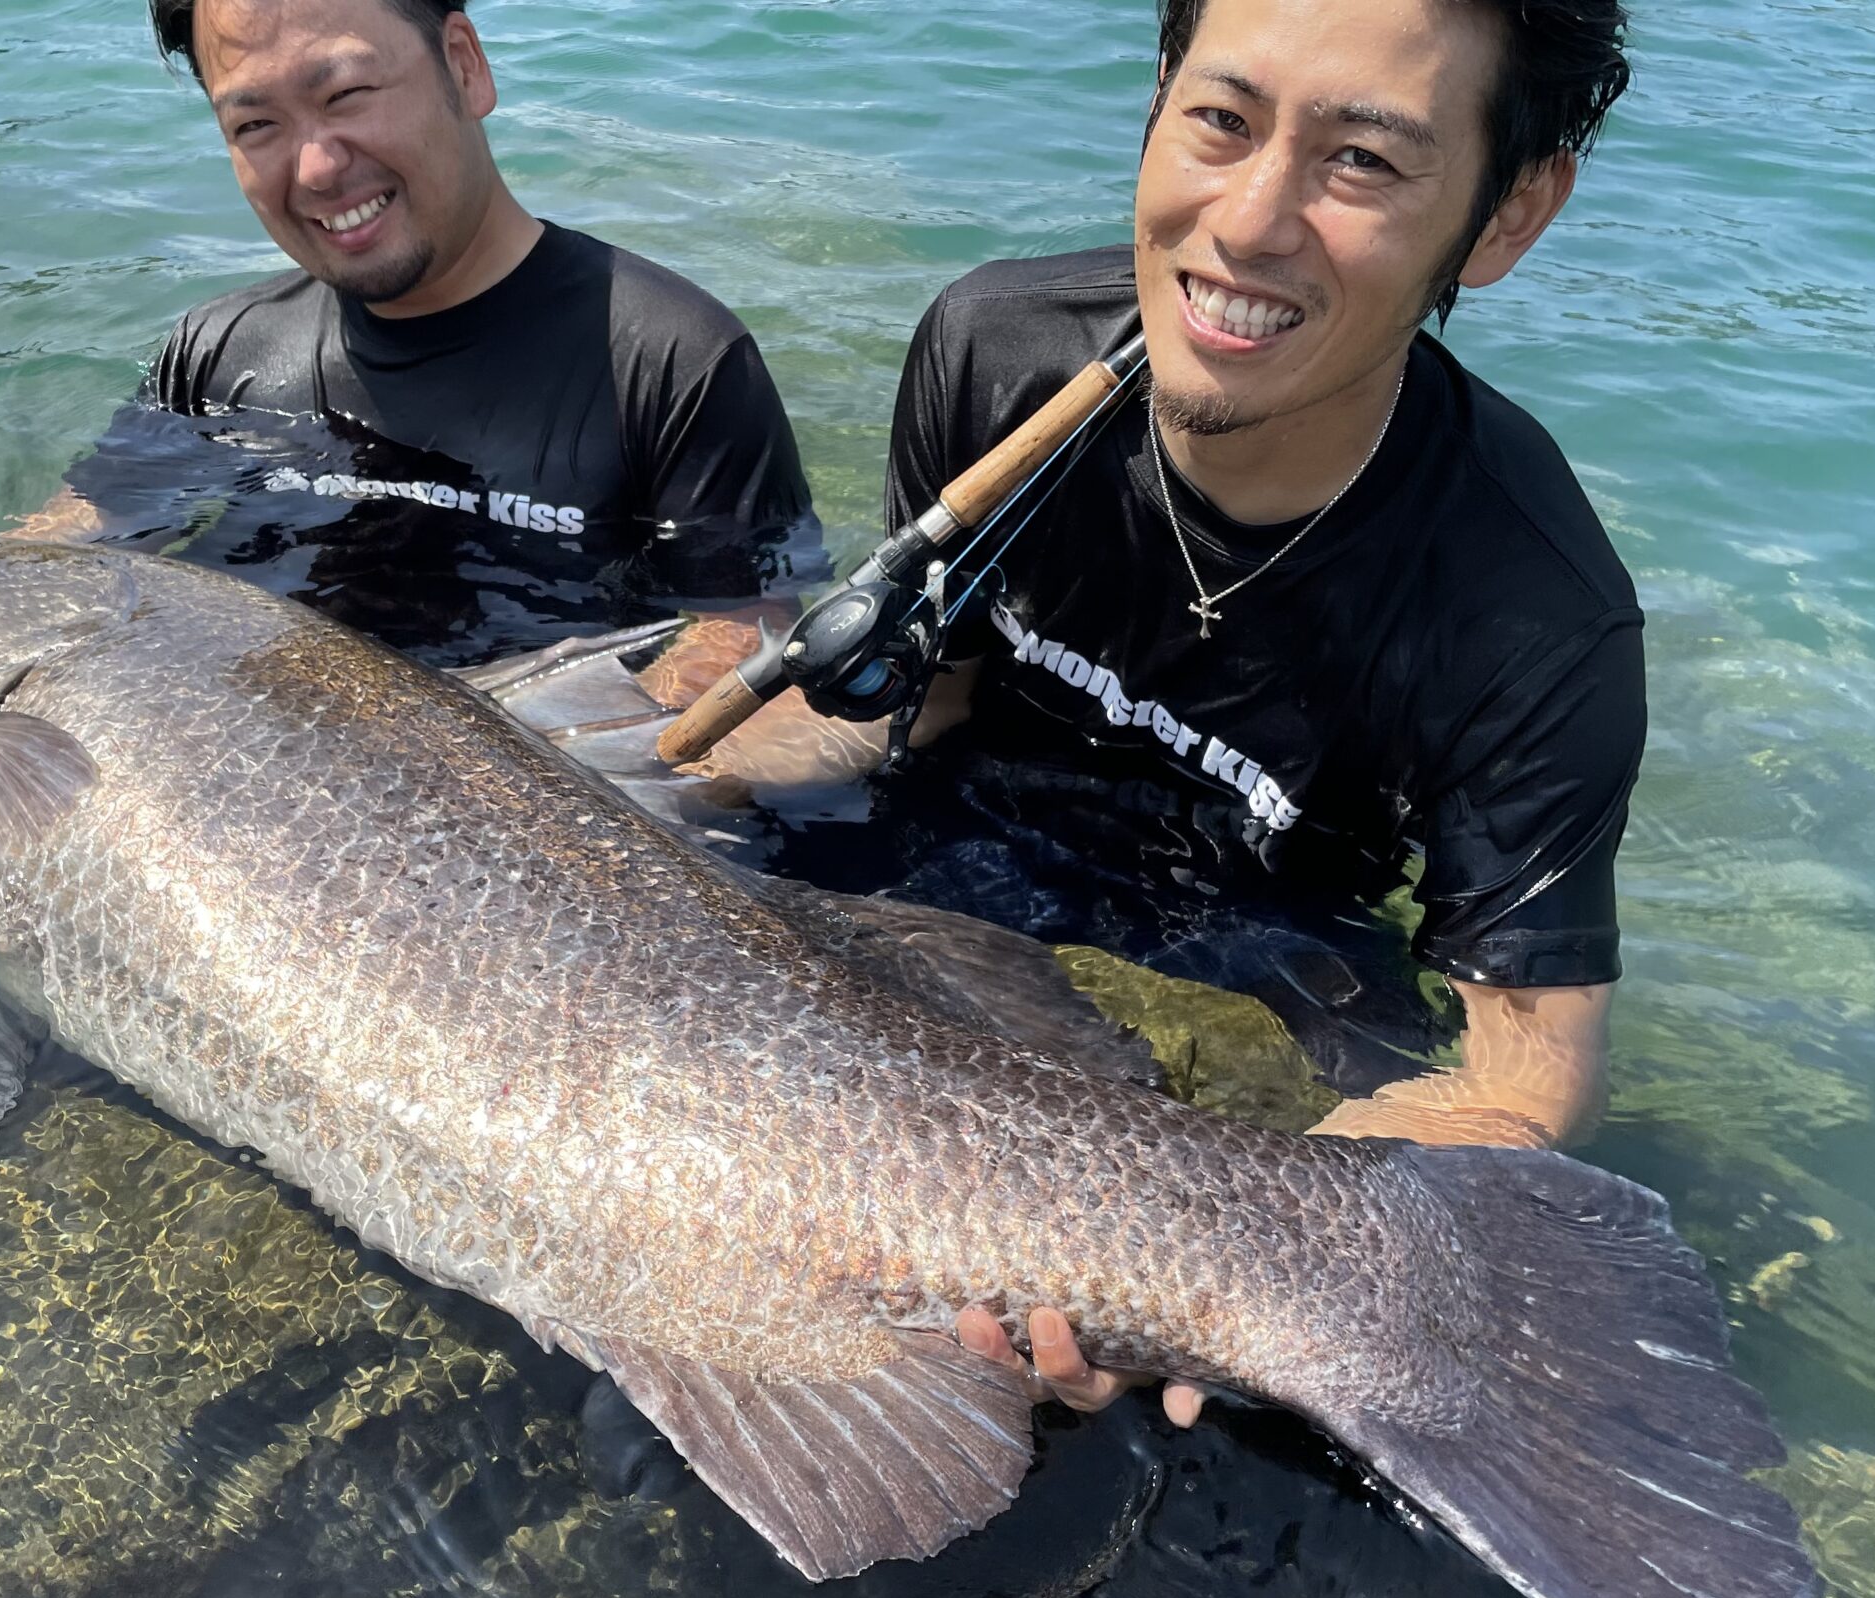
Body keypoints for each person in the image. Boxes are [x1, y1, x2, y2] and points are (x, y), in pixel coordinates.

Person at [687, 0, 1640, 1419]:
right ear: (1156, 102)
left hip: (1259, 975)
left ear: (1507, 214)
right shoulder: (995, 350)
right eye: (1222, 120)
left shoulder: (1535, 609)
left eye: (1364, 160)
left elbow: (1521, 1077)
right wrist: (621, 800)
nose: (1249, 223)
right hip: (952, 877)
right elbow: (920, 697)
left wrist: (1208, 1262)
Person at [10, 0, 819, 663]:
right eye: (256, 126)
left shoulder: (671, 364)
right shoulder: (216, 357)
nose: (317, 168)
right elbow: (56, 558)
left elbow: (742, 647)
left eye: (347, 95)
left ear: (464, 66)